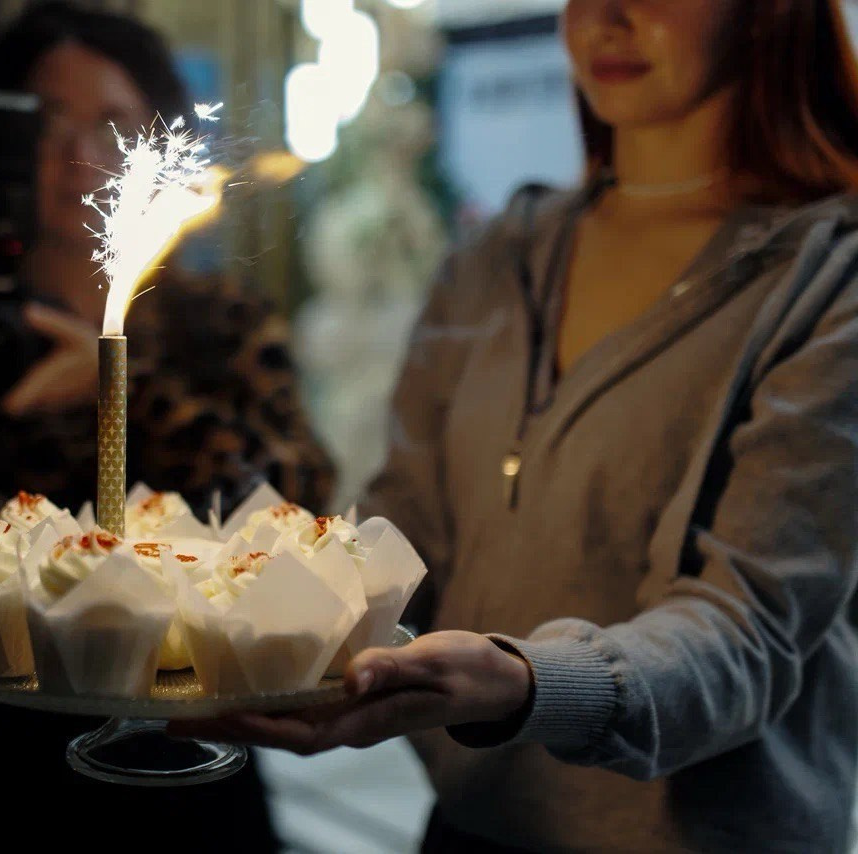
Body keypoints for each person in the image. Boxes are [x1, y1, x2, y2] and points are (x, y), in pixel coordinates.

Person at [174, 1, 858, 851]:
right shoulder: (499, 257)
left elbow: (750, 627)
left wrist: (529, 683)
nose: (606, 17)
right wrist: (263, 620)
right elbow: (409, 526)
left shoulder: (828, 282)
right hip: (475, 822)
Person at [0, 3, 334, 852]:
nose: (76, 156)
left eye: (111, 124)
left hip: (191, 732)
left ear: (160, 140)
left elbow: (297, 504)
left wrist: (123, 391)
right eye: (44, 123)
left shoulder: (213, 320)